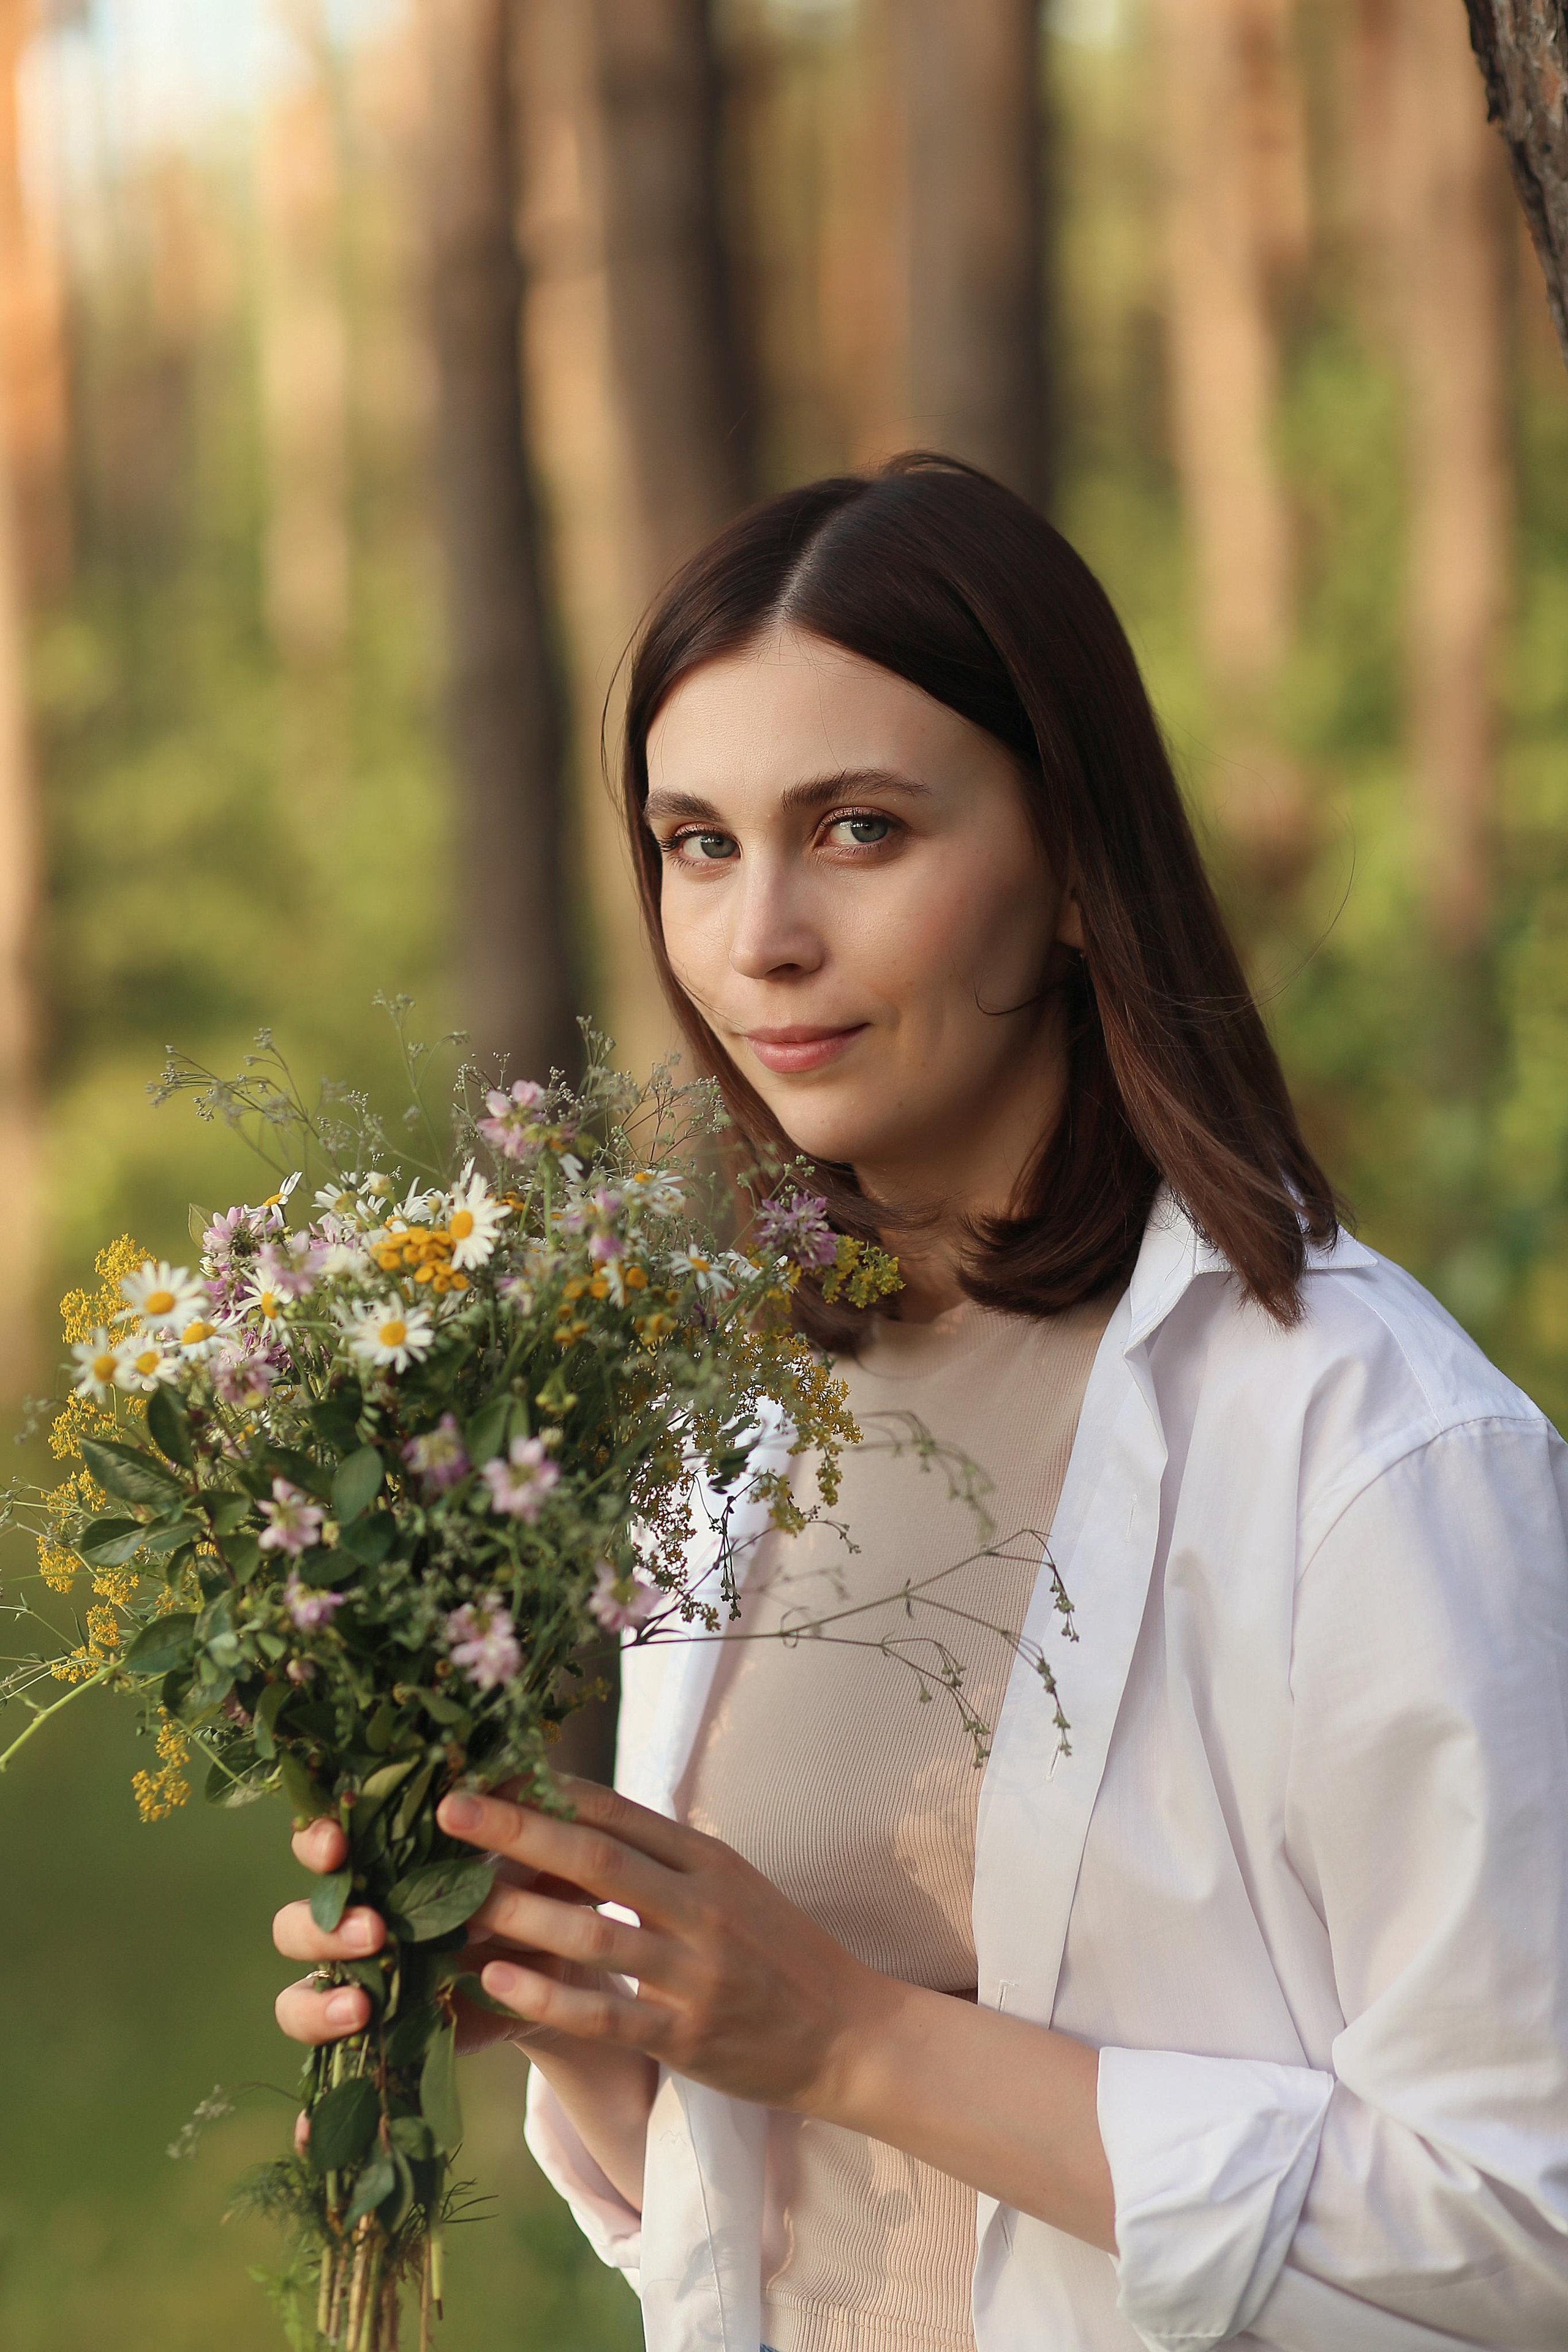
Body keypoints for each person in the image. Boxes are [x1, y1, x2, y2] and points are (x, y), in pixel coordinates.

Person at [273, 456, 1568, 2351]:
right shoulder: (742, 1427)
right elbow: (776, 2224)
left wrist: (863, 2040)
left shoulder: (1371, 1444)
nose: (757, 936)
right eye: (696, 841)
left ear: (1068, 870)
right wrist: (575, 2002)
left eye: (860, 829)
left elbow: (1527, 2214)